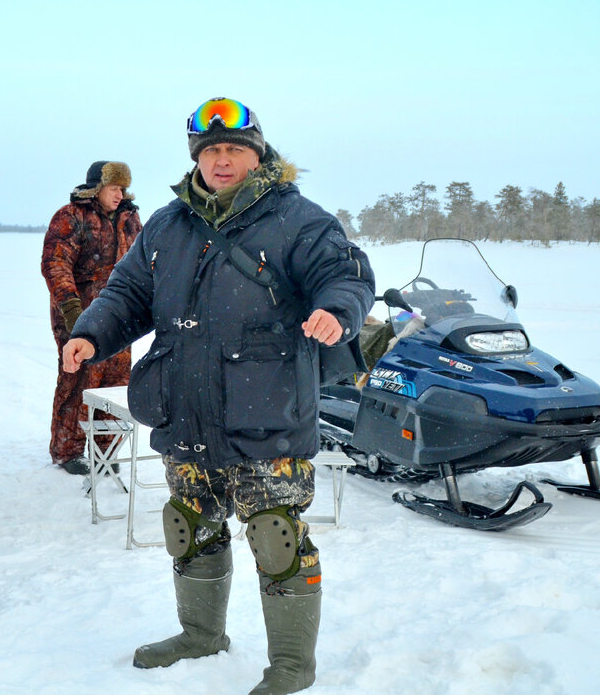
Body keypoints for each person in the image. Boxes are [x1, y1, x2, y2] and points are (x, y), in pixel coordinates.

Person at [63, 98, 374, 693]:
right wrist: (91, 334)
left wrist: (337, 311)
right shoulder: (167, 223)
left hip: (268, 411)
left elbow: (346, 275)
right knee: (190, 524)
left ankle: (291, 667)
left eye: (234, 148)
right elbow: (128, 291)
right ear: (196, 158)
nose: (222, 160)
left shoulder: (298, 220)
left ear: (257, 155)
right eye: (211, 150)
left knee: (276, 537)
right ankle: (202, 635)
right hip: (187, 407)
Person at [41, 161, 142, 473]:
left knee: (116, 382)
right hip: (79, 316)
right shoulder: (70, 216)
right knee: (79, 381)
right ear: (97, 188)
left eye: (122, 188)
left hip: (120, 316)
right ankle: (68, 452)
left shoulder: (130, 218)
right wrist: (73, 312)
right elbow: (55, 263)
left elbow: (144, 262)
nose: (119, 194)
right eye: (114, 188)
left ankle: (106, 452)